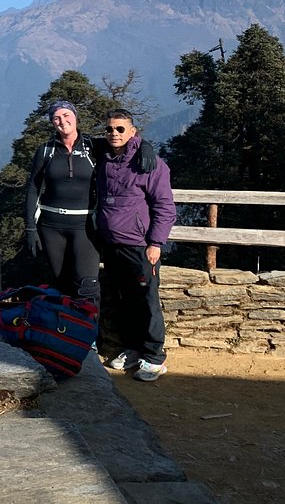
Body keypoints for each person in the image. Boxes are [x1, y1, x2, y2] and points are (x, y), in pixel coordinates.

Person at [95, 108, 177, 382]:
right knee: (125, 300)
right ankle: (134, 349)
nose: (114, 134)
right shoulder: (105, 159)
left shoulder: (149, 162)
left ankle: (155, 357)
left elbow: (165, 206)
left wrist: (156, 242)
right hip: (113, 244)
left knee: (147, 300)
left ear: (133, 131)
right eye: (109, 129)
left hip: (140, 245)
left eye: (120, 129)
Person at [24, 101, 101, 307]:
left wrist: (145, 148)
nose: (62, 121)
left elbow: (125, 143)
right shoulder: (46, 151)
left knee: (88, 286)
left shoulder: (93, 147)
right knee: (62, 285)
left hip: (84, 226)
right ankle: (68, 335)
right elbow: (33, 188)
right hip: (51, 227)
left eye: (66, 115)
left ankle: (90, 336)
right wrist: (30, 229)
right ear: (52, 122)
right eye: (56, 118)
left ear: (76, 117)